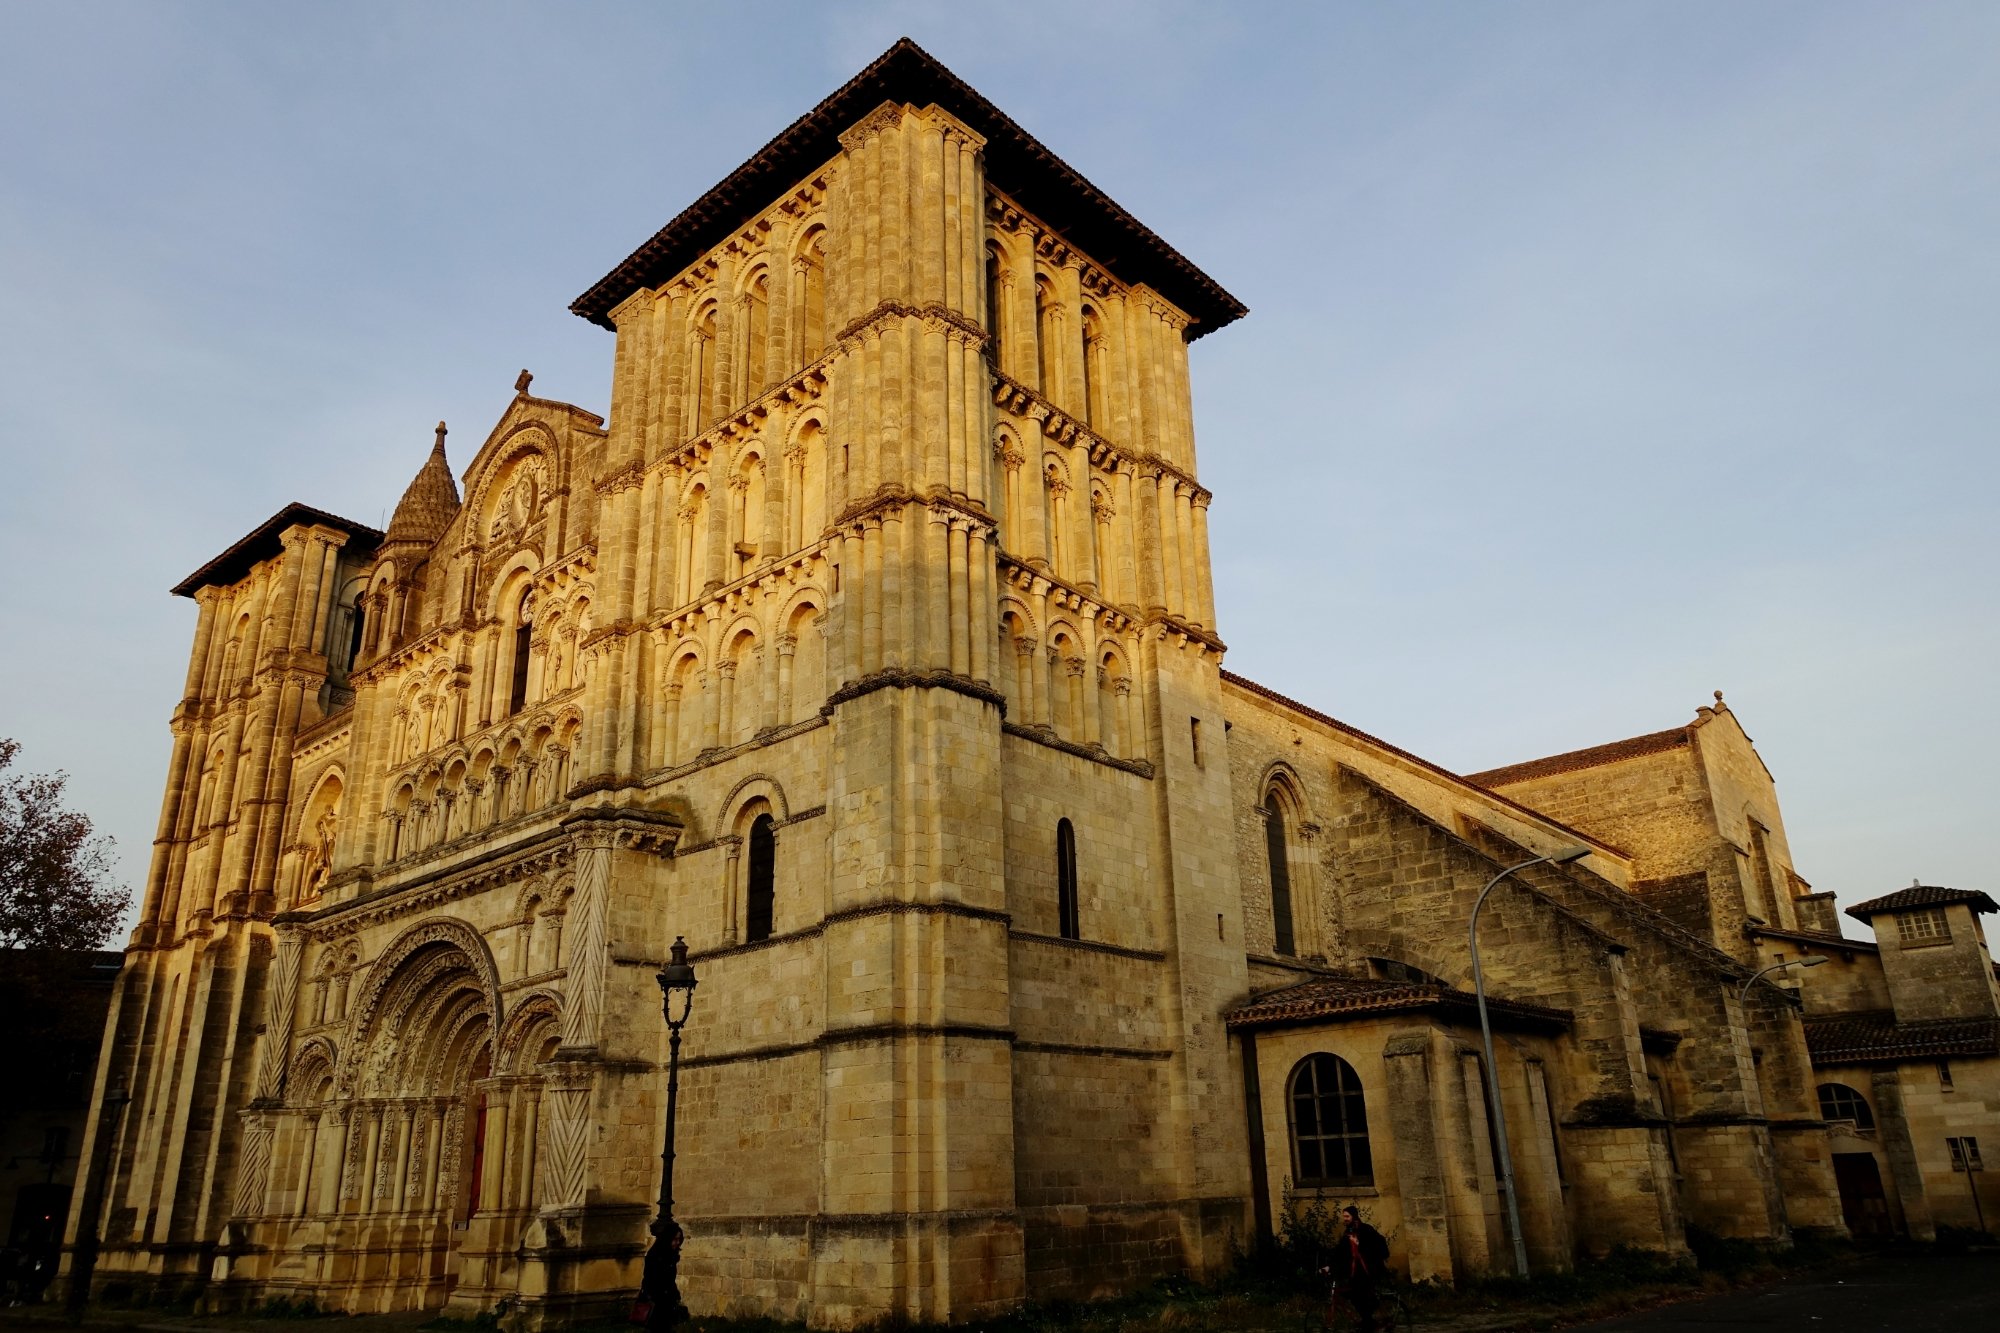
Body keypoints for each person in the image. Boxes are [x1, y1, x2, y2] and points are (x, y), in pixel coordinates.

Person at [1329, 1205, 1391, 1330]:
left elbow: (1374, 1247)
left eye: (1347, 1216)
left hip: (1369, 1269)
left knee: (1363, 1296)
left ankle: (1370, 1322)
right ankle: (1367, 1321)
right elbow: (1340, 1251)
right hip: (1356, 1271)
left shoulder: (1366, 1230)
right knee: (1352, 1295)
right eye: (1344, 1216)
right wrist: (1329, 1266)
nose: (1345, 1219)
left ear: (1354, 1216)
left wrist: (1359, 1244)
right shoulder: (1349, 1232)